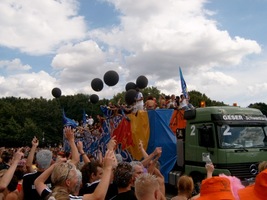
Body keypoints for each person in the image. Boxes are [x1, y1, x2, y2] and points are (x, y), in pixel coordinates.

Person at [34, 150, 115, 200]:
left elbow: (38, 182)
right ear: (68, 182)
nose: (78, 180)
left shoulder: (49, 194)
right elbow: (98, 197)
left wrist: (55, 165)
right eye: (75, 177)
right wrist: (108, 168)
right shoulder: (70, 199)